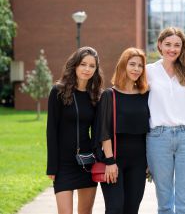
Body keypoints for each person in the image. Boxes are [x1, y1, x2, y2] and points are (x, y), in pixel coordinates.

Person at [146, 27, 185, 214]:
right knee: (164, 200)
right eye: (168, 44)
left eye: (177, 45)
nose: (172, 49)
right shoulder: (148, 71)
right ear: (159, 45)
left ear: (182, 48)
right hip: (158, 138)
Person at [46, 46, 103, 214]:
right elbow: (51, 130)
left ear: (96, 69)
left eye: (92, 66)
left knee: (85, 212)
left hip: (86, 162)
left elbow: (98, 131)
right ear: (75, 65)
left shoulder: (96, 95)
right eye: (83, 64)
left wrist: (99, 158)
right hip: (64, 164)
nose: (87, 69)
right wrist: (52, 166)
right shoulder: (58, 91)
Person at [94, 47, 150, 214]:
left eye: (140, 66)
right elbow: (104, 130)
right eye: (132, 64)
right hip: (115, 160)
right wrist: (110, 161)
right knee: (115, 208)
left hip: (139, 162)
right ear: (123, 66)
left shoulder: (145, 94)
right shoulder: (109, 95)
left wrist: (149, 161)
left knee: (132, 209)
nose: (136, 69)